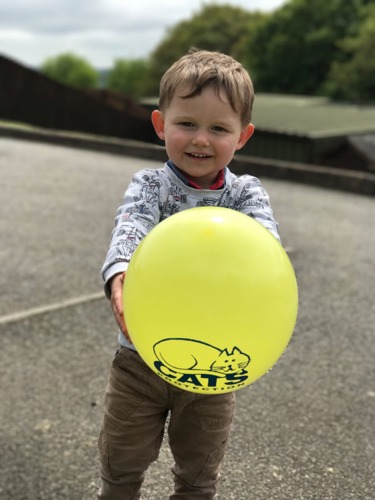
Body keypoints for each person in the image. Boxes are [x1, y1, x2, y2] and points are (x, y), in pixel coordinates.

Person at [98, 49, 280, 500]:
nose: (201, 139)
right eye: (187, 124)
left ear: (243, 136)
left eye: (219, 128)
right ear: (161, 125)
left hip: (217, 368)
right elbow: (132, 224)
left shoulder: (245, 194)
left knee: (200, 475)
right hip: (141, 357)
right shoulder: (150, 186)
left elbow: (265, 248)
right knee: (121, 466)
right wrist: (120, 270)